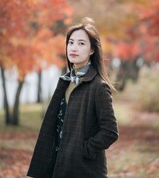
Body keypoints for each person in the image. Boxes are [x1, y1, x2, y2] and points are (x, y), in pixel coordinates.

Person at [27, 17, 119, 178]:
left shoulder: (98, 86)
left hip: (83, 169)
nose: (74, 48)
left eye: (81, 43)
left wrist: (83, 150)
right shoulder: (65, 81)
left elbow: (110, 132)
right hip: (57, 162)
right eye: (71, 42)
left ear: (92, 50)